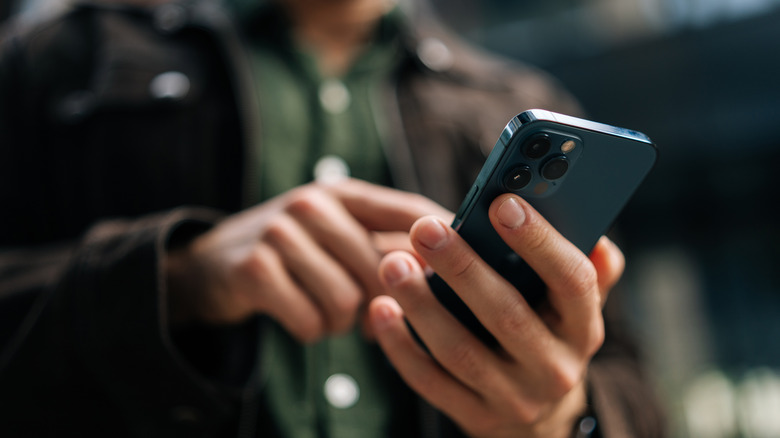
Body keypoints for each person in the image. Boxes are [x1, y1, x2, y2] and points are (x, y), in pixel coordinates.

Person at [0, 0, 666, 436]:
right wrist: (185, 278)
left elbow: (636, 393)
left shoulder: (516, 100)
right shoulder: (59, 59)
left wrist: (565, 416)